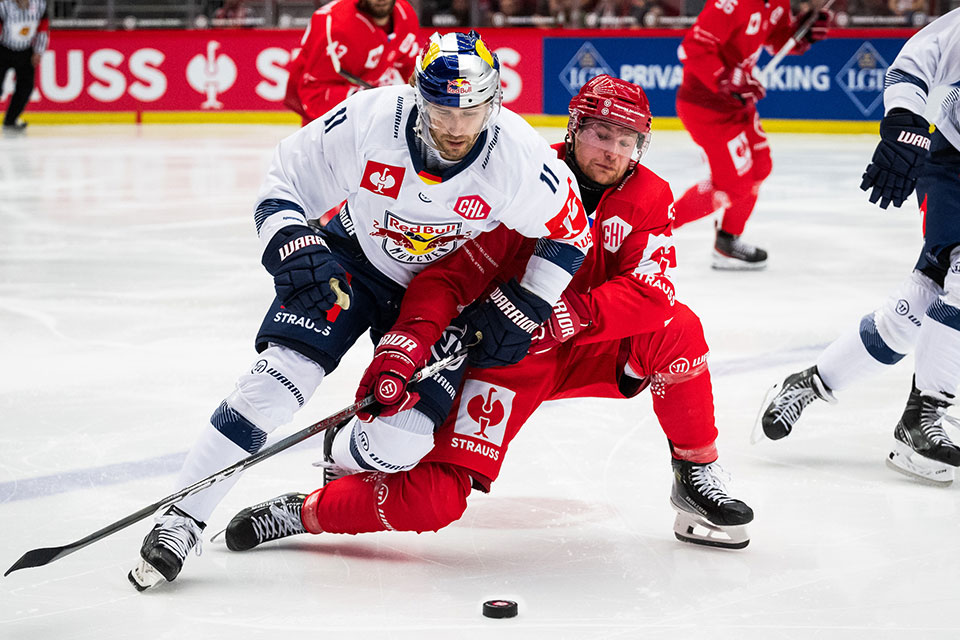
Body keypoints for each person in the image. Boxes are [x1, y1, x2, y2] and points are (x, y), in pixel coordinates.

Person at [128, 30, 592, 591]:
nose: (454, 129)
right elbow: (284, 179)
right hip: (353, 260)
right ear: (418, 97)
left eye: (470, 113)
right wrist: (292, 244)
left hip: (437, 294)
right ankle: (182, 518)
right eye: (442, 110)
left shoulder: (519, 159)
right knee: (274, 385)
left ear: (493, 105)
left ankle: (341, 448)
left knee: (401, 444)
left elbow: (569, 234)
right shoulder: (370, 118)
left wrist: (525, 303)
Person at [220, 75, 755, 556]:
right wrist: (407, 343)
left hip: (574, 340)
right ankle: (307, 510)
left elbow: (652, 292)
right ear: (573, 131)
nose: (611, 150)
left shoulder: (648, 196)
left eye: (625, 140)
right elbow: (448, 276)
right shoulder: (523, 175)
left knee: (677, 329)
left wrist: (560, 317)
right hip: (501, 358)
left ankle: (696, 471)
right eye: (599, 133)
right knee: (434, 501)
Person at [757, 9, 960, 484]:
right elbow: (918, 61)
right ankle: (922, 418)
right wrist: (908, 123)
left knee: (923, 301)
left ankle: (813, 382)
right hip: (955, 163)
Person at [672, 0, 832, 269]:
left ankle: (727, 242)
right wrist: (728, 77)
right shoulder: (731, 4)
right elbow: (691, 48)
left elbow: (776, 41)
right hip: (706, 105)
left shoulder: (778, 2)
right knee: (733, 184)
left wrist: (801, 34)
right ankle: (653, 230)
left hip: (738, 104)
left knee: (759, 167)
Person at [283, 0, 420, 126]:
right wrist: (365, 101)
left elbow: (408, 65)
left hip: (367, 114)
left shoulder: (406, 15)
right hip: (326, 120)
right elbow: (314, 94)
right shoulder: (334, 26)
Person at [0, 0, 49, 134]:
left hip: (26, 51)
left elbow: (43, 29)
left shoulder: (40, 5)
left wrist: (38, 52)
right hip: (3, 49)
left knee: (26, 88)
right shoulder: (3, 6)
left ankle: (11, 120)